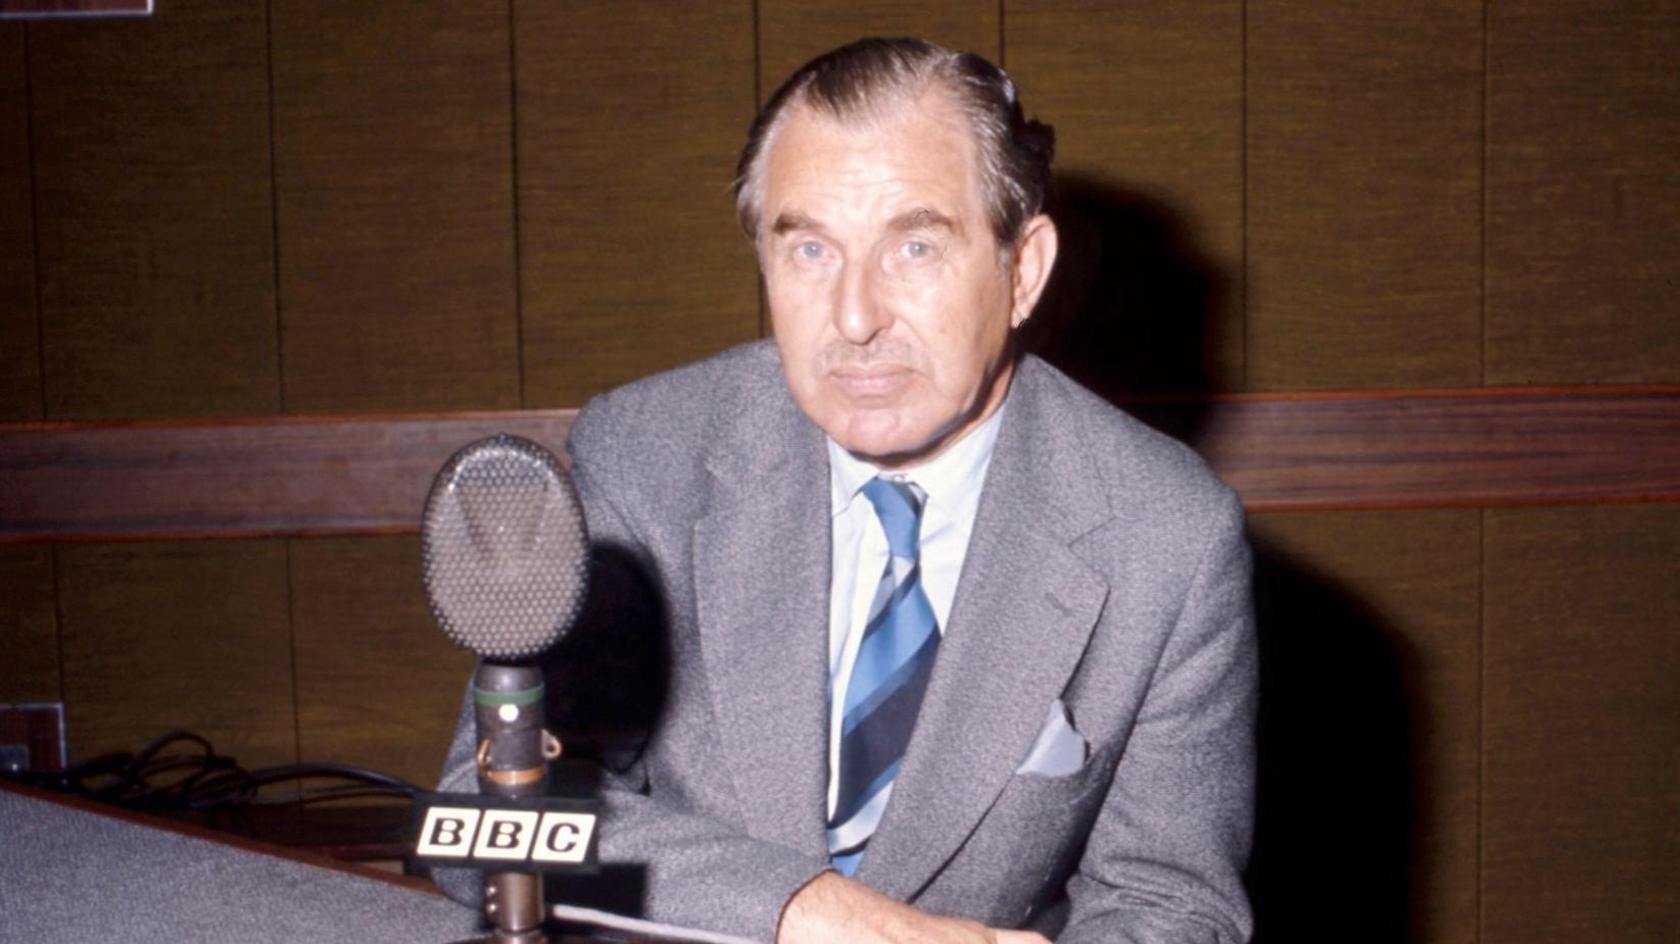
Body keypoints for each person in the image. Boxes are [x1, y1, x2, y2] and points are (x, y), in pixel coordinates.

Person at [438, 37, 1256, 944]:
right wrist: (802, 909)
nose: (856, 317)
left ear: (1022, 270)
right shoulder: (646, 455)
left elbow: (1173, 907)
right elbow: (480, 819)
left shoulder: (1167, 533)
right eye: (811, 250)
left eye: (915, 247)